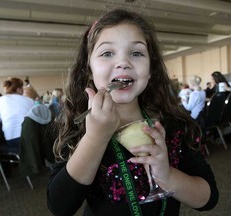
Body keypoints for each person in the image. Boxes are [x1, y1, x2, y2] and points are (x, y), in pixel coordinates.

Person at [47, 9, 218, 216]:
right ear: (88, 68)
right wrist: (95, 137)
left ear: (151, 70)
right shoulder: (79, 127)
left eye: (136, 53)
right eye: (107, 53)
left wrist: (166, 175)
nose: (123, 63)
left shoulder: (171, 124)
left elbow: (208, 199)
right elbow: (60, 206)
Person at [0, 77, 34, 153]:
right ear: (18, 89)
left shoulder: (1, 100)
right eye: (22, 88)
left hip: (13, 140)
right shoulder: (29, 100)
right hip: (32, 139)